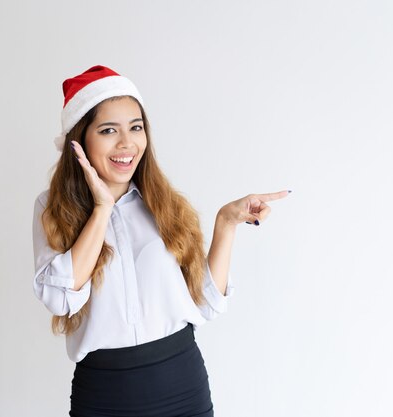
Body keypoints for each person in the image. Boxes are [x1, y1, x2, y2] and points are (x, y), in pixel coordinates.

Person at [32, 65, 289, 417]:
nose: (126, 143)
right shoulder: (53, 207)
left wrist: (226, 223)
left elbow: (205, 303)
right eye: (109, 130)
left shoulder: (165, 204)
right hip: (104, 394)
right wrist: (102, 209)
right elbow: (61, 299)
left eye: (135, 128)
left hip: (181, 386)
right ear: (80, 140)